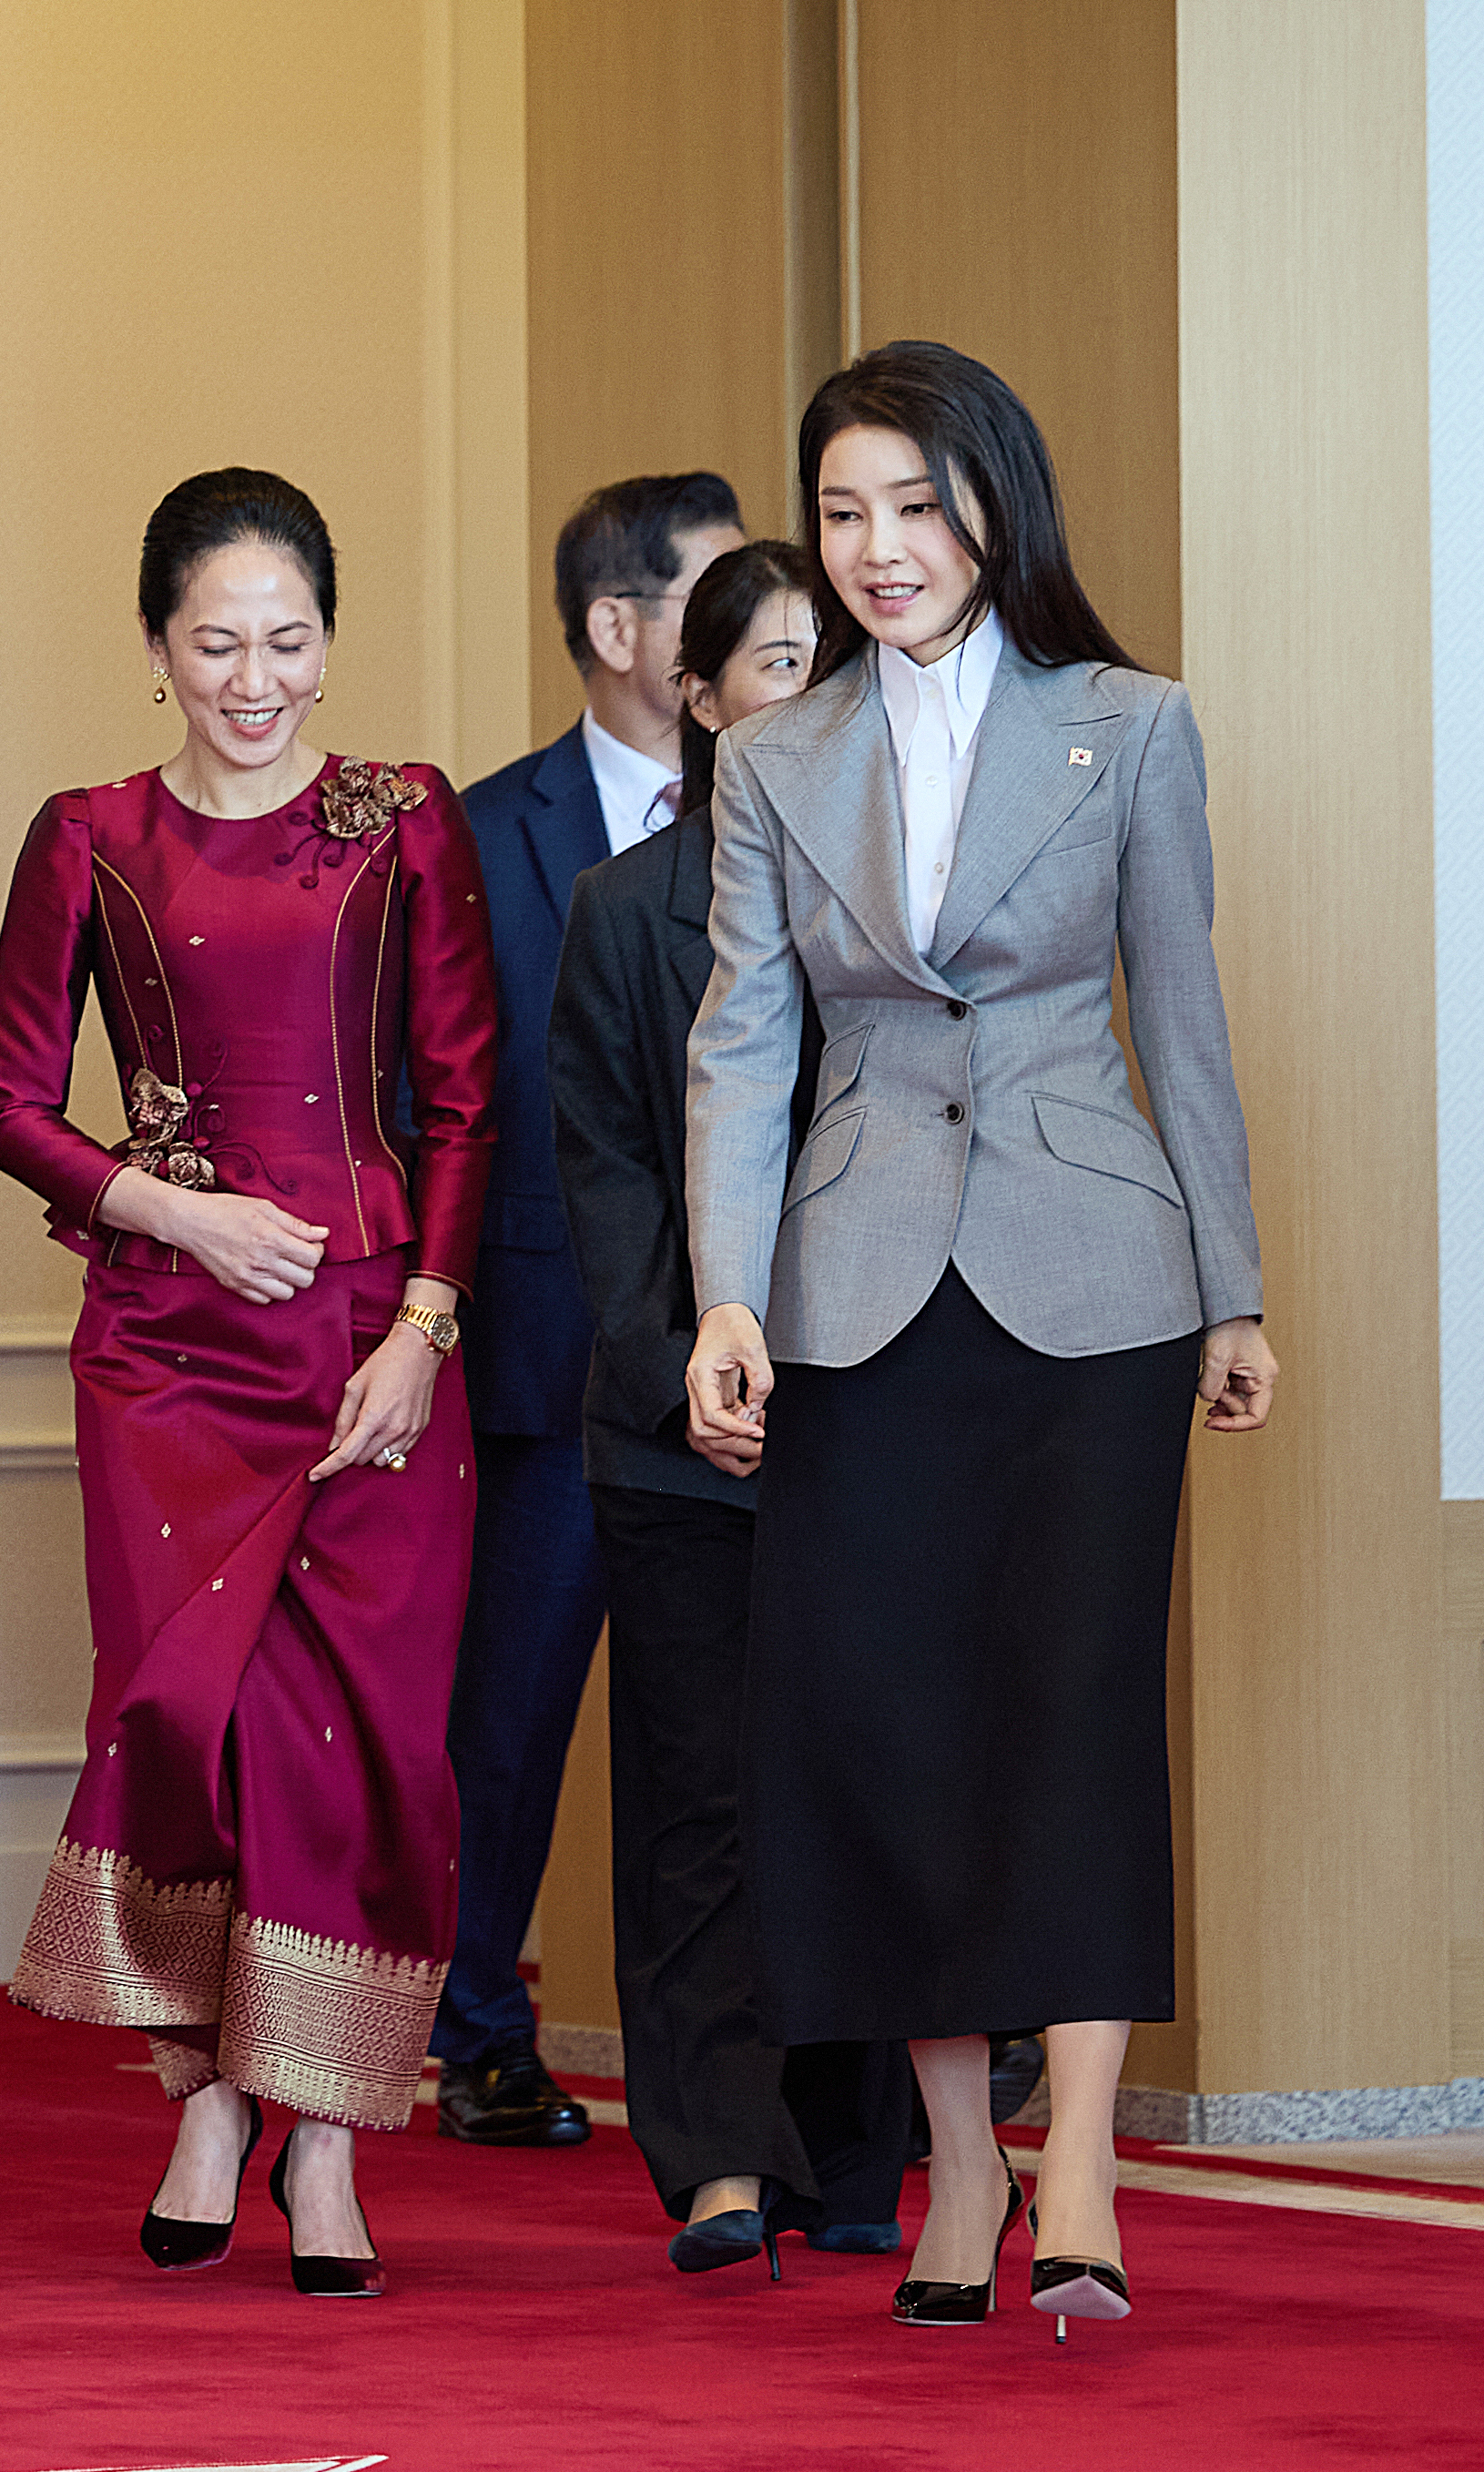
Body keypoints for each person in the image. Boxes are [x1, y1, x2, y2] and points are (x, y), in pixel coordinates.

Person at [683, 341, 1277, 2337]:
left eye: (914, 507)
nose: (877, 549)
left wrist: (1233, 1286)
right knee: (886, 1732)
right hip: (853, 1290)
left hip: (1089, 1283)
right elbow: (742, 1043)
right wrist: (729, 1297)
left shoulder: (1128, 725)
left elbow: (1178, 1016)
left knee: (1071, 1711)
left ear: (991, 508)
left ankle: (1085, 2160)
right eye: (842, 510)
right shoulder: (773, 755)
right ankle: (958, 2162)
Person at [0, 468, 498, 2299]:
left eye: (287, 642)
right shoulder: (89, 834)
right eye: (216, 644)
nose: (254, 680)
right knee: (187, 1719)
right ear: (153, 648)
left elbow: (463, 1091)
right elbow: (7, 1100)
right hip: (167, 1352)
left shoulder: (400, 819)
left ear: (330, 643)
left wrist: (420, 1328)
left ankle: (327, 2136)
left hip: (369, 1349)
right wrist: (173, 1217)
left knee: (358, 1744)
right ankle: (203, 2089)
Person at [549, 539, 915, 2278]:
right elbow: (603, 1179)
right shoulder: (625, 912)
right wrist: (681, 1362)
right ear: (694, 701)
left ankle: (852, 2155)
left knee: (853, 1787)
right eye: (772, 664)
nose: (805, 693)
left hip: (865, 1422)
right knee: (694, 1801)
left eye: (823, 666)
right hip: (670, 1427)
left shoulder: (893, 900)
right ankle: (711, 2156)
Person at [437, 471, 745, 2146]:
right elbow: (451, 1107)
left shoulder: (799, 801)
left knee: (758, 1727)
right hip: (549, 1357)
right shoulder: (484, 835)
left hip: (774, 1346)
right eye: (713, 590)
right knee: (510, 1715)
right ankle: (478, 2029)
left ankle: (789, 2056)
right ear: (621, 628)